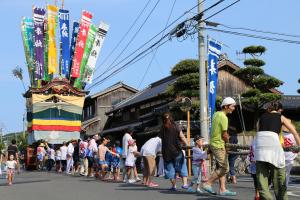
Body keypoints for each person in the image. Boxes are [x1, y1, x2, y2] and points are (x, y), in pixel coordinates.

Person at [254, 101, 300, 200]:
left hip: (259, 148)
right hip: (273, 147)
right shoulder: (281, 117)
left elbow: (258, 133)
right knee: (279, 178)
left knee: (262, 182)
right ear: (280, 110)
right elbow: (294, 132)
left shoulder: (261, 117)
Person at [202, 97, 237, 196]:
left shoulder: (216, 114)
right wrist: (228, 144)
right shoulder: (224, 117)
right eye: (232, 106)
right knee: (225, 168)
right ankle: (208, 183)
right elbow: (224, 134)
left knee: (220, 166)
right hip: (218, 144)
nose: (234, 108)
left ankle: (222, 189)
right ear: (226, 106)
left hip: (214, 143)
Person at [159, 112, 189, 191]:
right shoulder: (176, 126)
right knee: (182, 165)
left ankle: (174, 186)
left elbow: (161, 139)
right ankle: (185, 184)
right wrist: (187, 144)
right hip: (177, 151)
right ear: (171, 118)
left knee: (170, 169)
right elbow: (182, 136)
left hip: (166, 152)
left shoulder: (162, 128)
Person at [282, 119, 298, 187]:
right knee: (287, 173)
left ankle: (281, 184)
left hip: (282, 155)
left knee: (280, 172)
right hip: (290, 156)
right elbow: (297, 145)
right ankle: (285, 185)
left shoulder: (280, 134)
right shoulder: (294, 135)